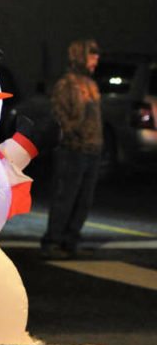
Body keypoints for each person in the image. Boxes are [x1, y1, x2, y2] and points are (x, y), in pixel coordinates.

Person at [41, 39, 103, 259]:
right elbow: (60, 116)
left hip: (91, 151)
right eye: (91, 57)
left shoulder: (91, 85)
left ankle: (70, 241)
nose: (95, 62)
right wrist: (73, 135)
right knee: (65, 198)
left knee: (83, 200)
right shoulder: (66, 84)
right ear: (80, 57)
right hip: (72, 150)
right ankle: (53, 241)